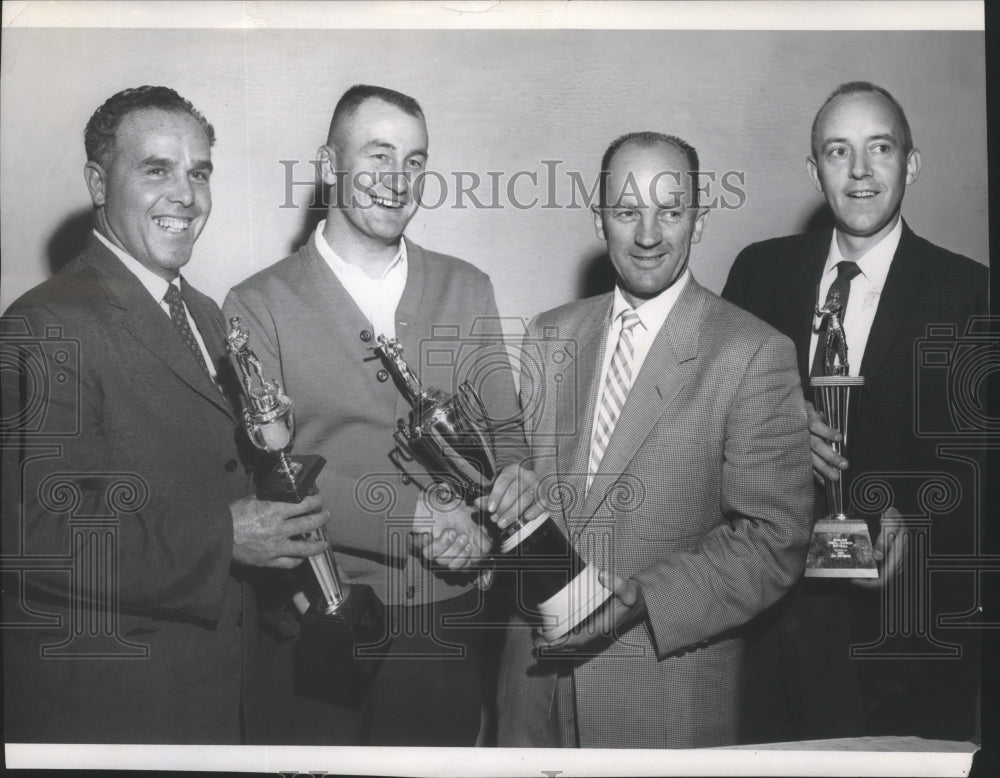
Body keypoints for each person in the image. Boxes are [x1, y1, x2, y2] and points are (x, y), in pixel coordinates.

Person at [0, 86, 330, 744]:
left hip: (217, 690)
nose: (187, 194)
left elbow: (207, 466)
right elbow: (30, 533)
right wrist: (226, 539)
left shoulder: (206, 314)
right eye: (157, 170)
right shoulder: (43, 323)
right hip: (116, 706)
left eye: (199, 172)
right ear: (98, 182)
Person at [223, 84, 537, 746]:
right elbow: (267, 478)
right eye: (379, 155)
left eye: (416, 161)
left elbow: (506, 437)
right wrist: (418, 516)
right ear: (329, 163)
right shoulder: (258, 304)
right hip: (315, 625)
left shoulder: (467, 286)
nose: (399, 181)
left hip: (446, 625)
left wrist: (489, 519)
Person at [495, 132, 814, 748]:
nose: (648, 235)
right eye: (626, 211)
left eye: (670, 211)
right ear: (598, 219)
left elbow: (777, 541)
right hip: (531, 696)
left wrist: (645, 598)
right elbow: (525, 492)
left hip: (661, 698)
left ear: (698, 219)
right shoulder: (549, 334)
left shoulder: (752, 351)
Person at [723, 81, 987, 742]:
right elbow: (712, 423)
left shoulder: (972, 291)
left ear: (912, 164)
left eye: (881, 149)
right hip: (770, 626)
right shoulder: (759, 272)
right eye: (839, 152)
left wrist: (918, 516)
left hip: (903, 635)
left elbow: (985, 460)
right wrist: (777, 433)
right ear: (816, 171)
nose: (861, 171)